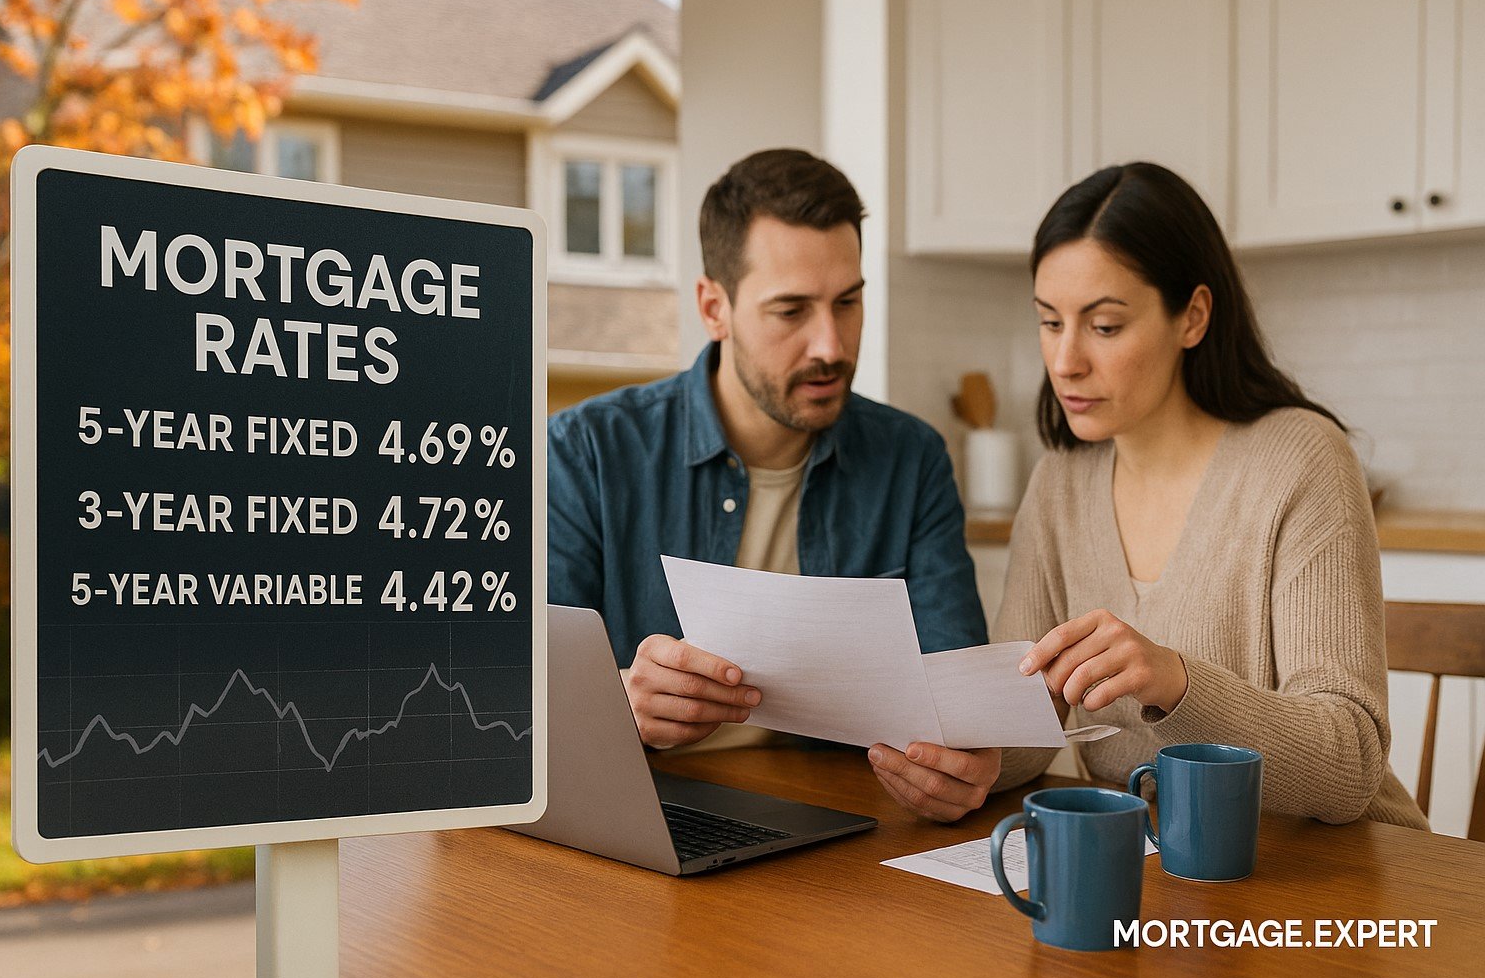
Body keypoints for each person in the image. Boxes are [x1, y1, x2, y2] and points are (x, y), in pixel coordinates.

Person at [549, 148, 998, 821]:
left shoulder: (912, 460)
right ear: (714, 308)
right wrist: (618, 701)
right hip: (640, 810)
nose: (831, 346)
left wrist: (963, 761)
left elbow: (957, 699)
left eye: (848, 303)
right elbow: (505, 697)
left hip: (839, 817)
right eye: (791, 311)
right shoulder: (586, 452)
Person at [995, 161, 1427, 829]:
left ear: (1192, 317)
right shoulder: (1060, 480)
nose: (1065, 361)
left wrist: (1176, 684)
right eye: (1050, 322)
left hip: (1341, 869)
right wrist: (968, 763)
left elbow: (1349, 763)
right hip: (1160, 869)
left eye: (1104, 327)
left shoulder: (1301, 459)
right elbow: (1025, 723)